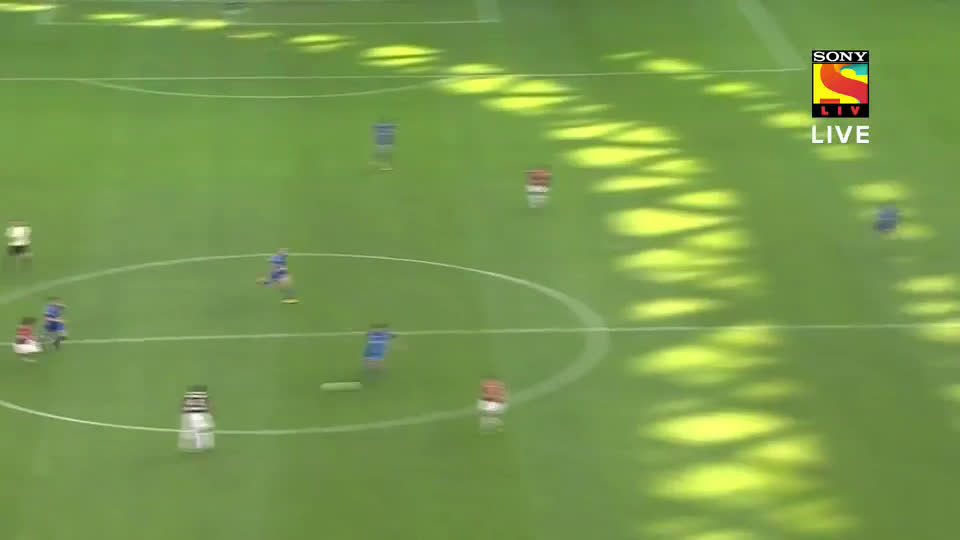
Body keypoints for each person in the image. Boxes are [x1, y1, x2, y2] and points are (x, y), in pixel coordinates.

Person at [179, 385, 215, 452]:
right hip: (199, 414)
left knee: (197, 430)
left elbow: (183, 403)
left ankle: (198, 445)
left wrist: (182, 412)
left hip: (189, 414)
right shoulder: (203, 395)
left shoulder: (188, 395)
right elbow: (209, 404)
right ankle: (201, 445)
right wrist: (211, 413)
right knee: (203, 429)